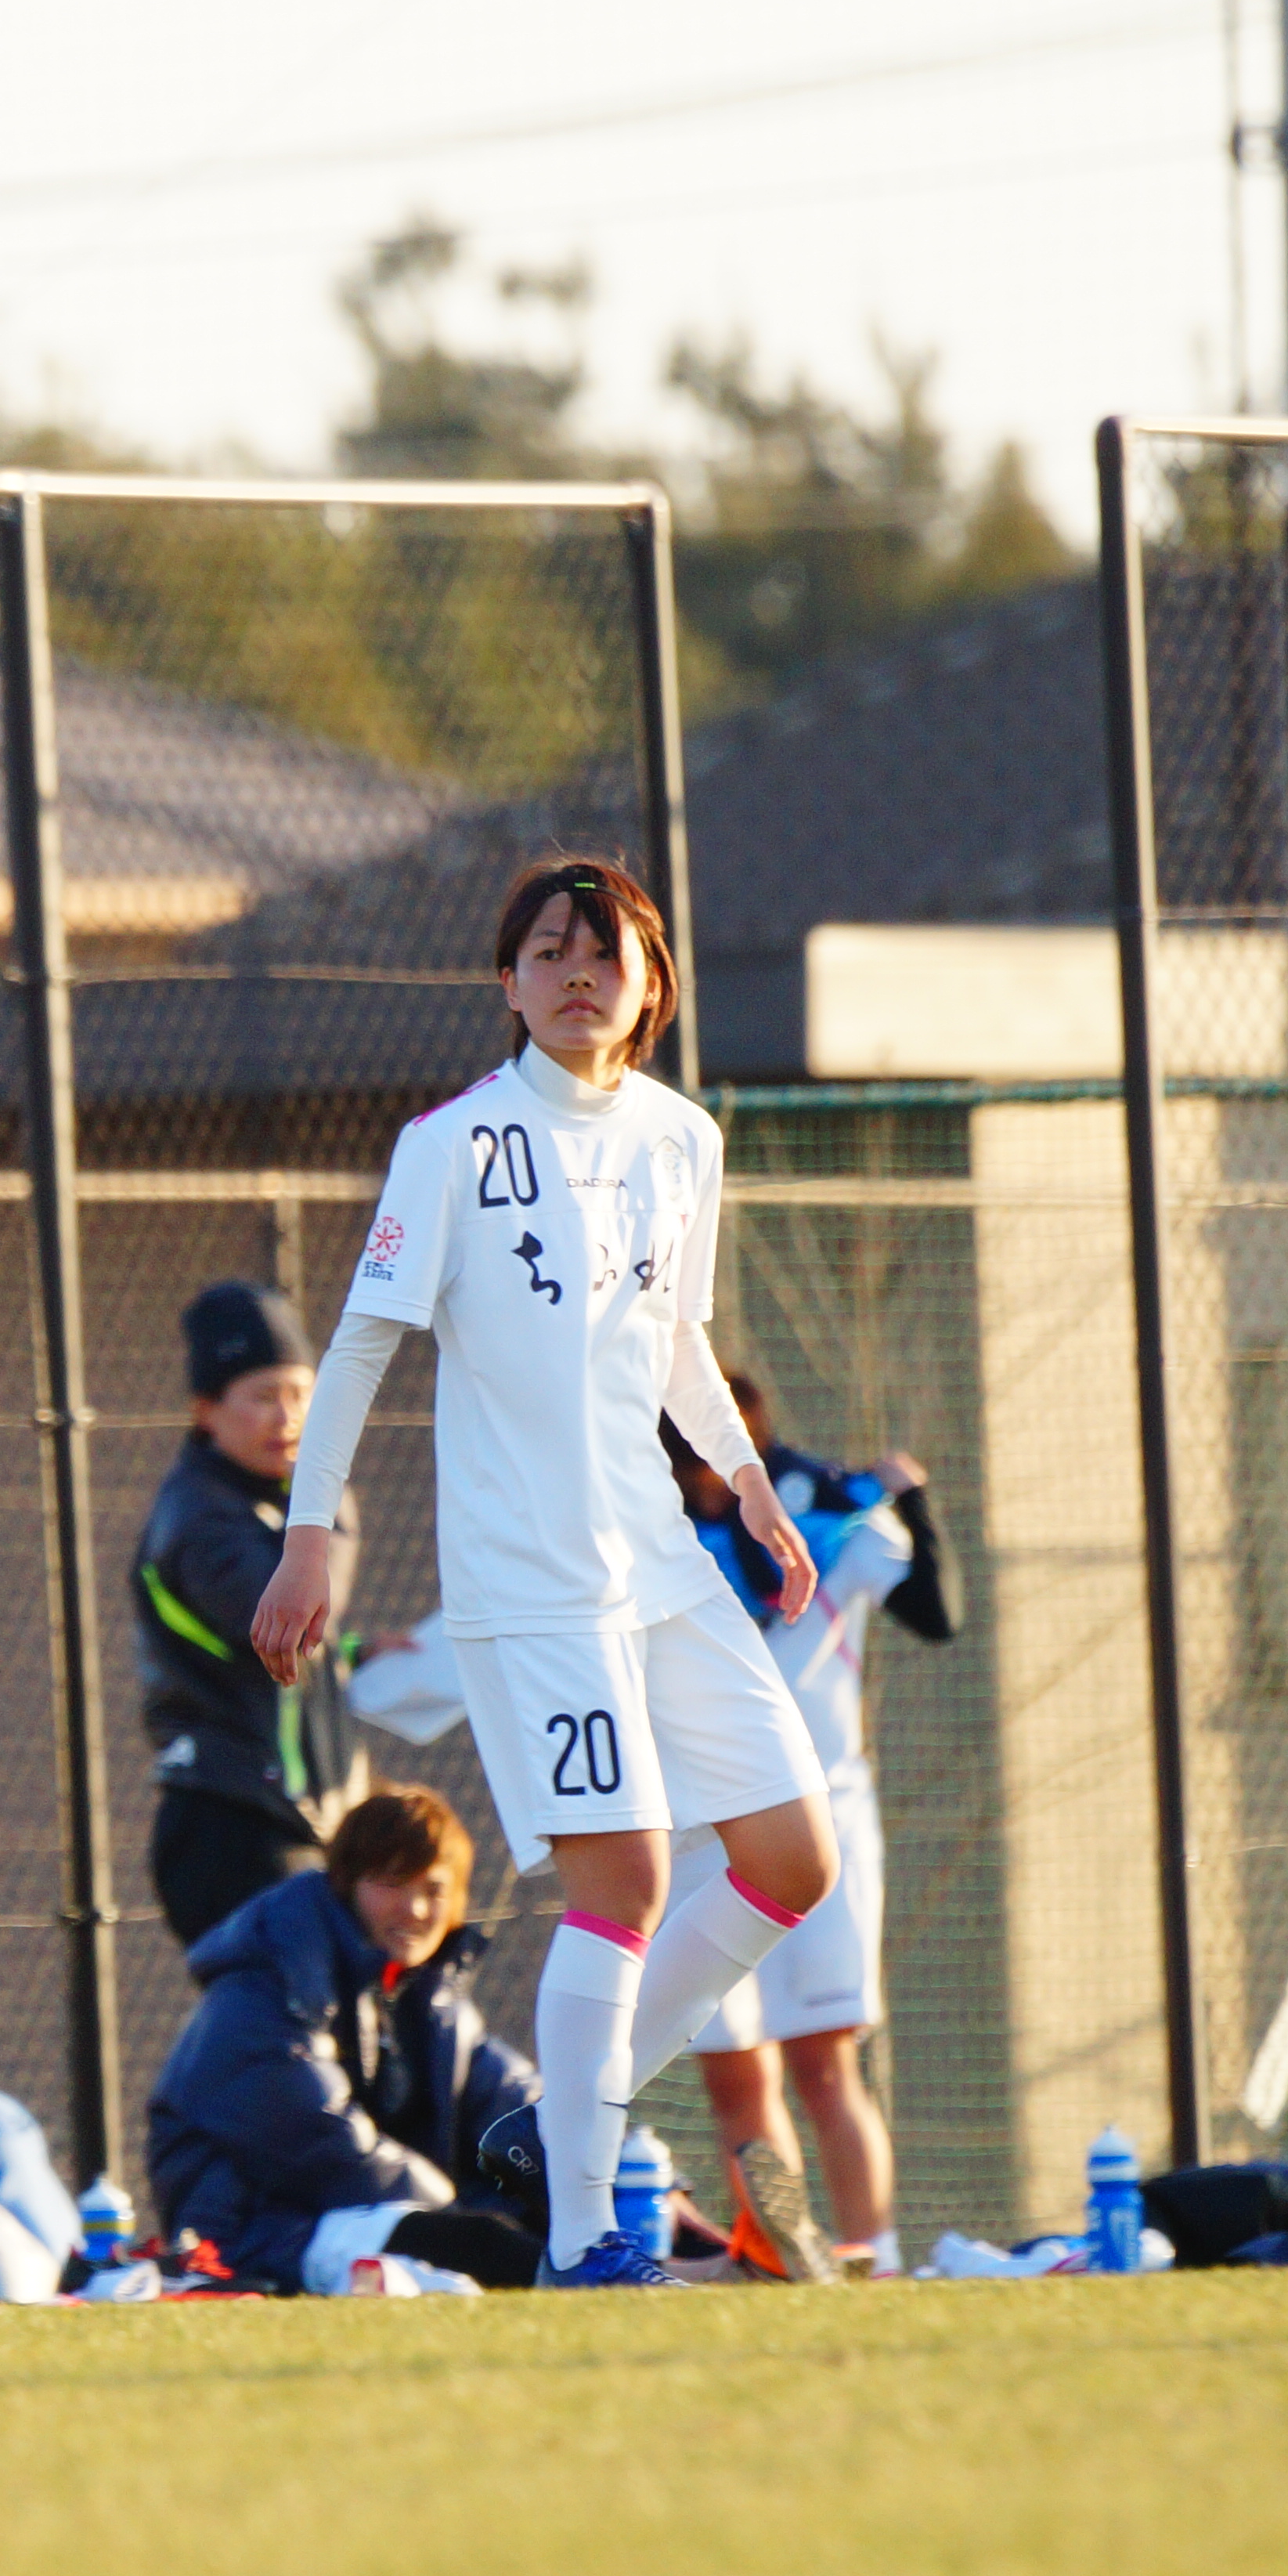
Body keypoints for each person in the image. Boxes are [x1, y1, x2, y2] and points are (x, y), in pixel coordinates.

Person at [248, 853, 839, 2289]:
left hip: (664, 1560)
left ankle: (561, 2112)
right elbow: (364, 1342)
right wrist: (308, 1530)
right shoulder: (451, 1144)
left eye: (607, 954)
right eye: (549, 951)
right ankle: (585, 2237)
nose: (578, 972)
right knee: (626, 1879)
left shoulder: (681, 1139)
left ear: (650, 991)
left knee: (790, 1858)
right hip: (532, 1582)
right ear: (507, 983)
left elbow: (678, 1342)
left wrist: (749, 1488)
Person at [664, 1378, 960, 2282]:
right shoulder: (648, 1539)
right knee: (735, 2071)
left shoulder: (824, 1520)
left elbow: (936, 1614)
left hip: (823, 1817)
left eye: (722, 1449)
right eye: (684, 1455)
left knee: (825, 2060)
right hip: (697, 1830)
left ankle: (876, 2259)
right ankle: (781, 2258)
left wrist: (909, 1498)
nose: (706, 1476)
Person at [146, 1784, 543, 2291]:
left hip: (365, 2218)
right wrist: (456, 2209)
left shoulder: (428, 1997)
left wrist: (618, 2187)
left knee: (563, 2224)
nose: (416, 1908)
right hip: (257, 2237)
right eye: (392, 1883)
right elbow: (322, 2146)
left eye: (434, 1889)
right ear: (346, 1884)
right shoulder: (268, 1983)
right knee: (484, 2244)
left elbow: (515, 2106)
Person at [136, 1280, 373, 1946]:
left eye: (301, 1395)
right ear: (206, 1411)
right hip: (233, 1825)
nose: (288, 1418)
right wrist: (329, 1501)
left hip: (294, 1820)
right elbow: (287, 1625)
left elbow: (294, 1658)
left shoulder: (271, 1505)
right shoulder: (200, 1518)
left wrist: (361, 1655)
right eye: (263, 1397)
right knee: (280, 2033)